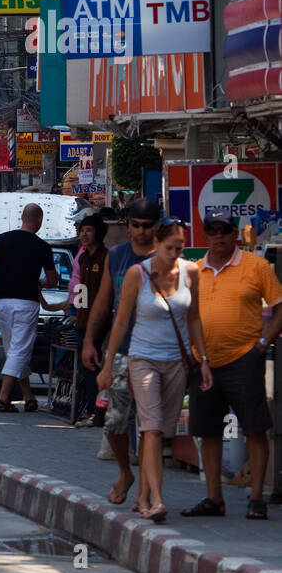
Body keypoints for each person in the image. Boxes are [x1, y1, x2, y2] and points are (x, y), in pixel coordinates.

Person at [100, 220, 204, 523]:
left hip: (177, 363)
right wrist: (108, 364)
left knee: (156, 434)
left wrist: (205, 359)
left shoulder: (191, 272)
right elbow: (120, 322)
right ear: (156, 244)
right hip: (142, 358)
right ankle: (157, 501)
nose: (173, 253)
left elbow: (195, 318)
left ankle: (143, 495)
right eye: (168, 247)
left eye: (179, 248)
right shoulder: (138, 274)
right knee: (153, 428)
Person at [183, 209, 282, 520]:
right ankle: (214, 498)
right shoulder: (195, 271)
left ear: (235, 233)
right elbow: (189, 316)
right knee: (208, 432)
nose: (219, 236)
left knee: (254, 428)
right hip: (205, 363)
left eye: (225, 230)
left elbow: (280, 308)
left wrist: (262, 344)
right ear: (205, 235)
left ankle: (256, 498)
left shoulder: (257, 266)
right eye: (212, 231)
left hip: (244, 359)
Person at [82, 198, 159, 506]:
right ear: (128, 227)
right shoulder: (117, 256)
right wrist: (90, 340)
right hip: (123, 349)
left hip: (157, 352)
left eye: (147, 226)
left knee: (151, 426)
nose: (141, 232)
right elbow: (102, 302)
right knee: (115, 423)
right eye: (136, 225)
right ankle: (126, 472)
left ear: (157, 227)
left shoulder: (167, 257)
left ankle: (150, 491)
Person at [0, 203, 58, 413]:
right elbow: (52, 280)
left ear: (22, 217)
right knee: (19, 349)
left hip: (3, 301)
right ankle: (3, 397)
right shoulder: (42, 246)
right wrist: (41, 282)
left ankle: (28, 395)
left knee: (14, 349)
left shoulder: (2, 239)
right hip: (27, 302)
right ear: (39, 221)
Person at [69, 212, 109, 422]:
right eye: (82, 230)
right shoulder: (82, 257)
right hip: (83, 319)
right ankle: (94, 410)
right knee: (87, 368)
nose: (84, 234)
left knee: (96, 366)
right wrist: (76, 313)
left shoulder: (105, 257)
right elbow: (80, 291)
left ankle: (98, 412)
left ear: (99, 233)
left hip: (101, 321)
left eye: (89, 230)